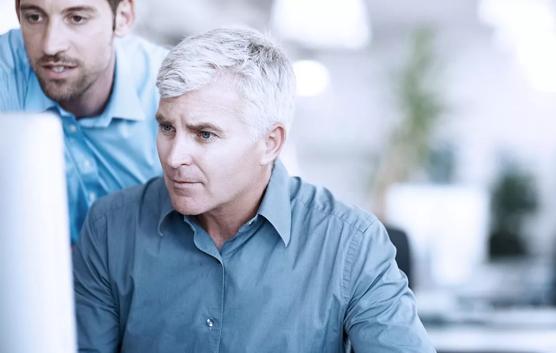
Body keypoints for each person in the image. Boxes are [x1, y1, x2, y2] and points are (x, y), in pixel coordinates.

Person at [73, 27, 436, 353]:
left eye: (204, 134)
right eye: (167, 128)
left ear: (270, 142)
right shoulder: (110, 228)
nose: (174, 156)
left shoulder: (350, 244)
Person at [0, 0, 167, 242]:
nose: (50, 46)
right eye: (34, 17)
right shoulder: (6, 75)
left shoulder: (169, 92)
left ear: (122, 18)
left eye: (77, 18)